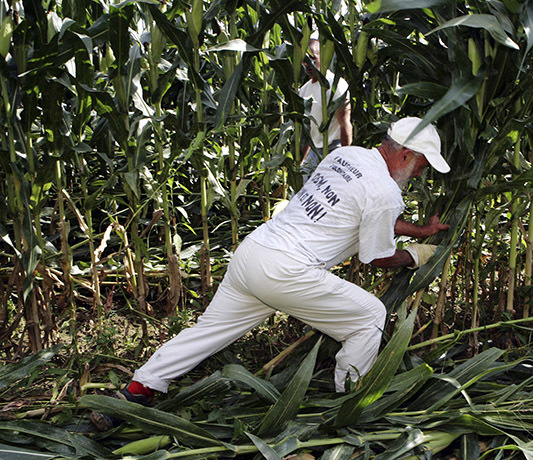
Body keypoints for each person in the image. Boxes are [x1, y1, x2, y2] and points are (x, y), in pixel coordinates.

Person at [90, 116, 450, 431]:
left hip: (253, 254)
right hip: (286, 271)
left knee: (207, 332)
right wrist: (416, 256)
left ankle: (136, 391)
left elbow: (366, 215)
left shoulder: (347, 156)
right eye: (422, 165)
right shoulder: (386, 191)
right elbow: (376, 257)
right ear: (405, 155)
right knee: (369, 315)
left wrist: (421, 231)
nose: (420, 174)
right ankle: (349, 404)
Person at [299, 38, 353, 181]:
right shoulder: (303, 91)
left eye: (312, 58)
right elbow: (307, 131)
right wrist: (300, 162)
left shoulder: (337, 85)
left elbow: (345, 124)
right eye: (305, 60)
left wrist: (345, 160)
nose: (308, 64)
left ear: (323, 57)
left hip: (334, 149)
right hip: (314, 151)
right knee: (299, 191)